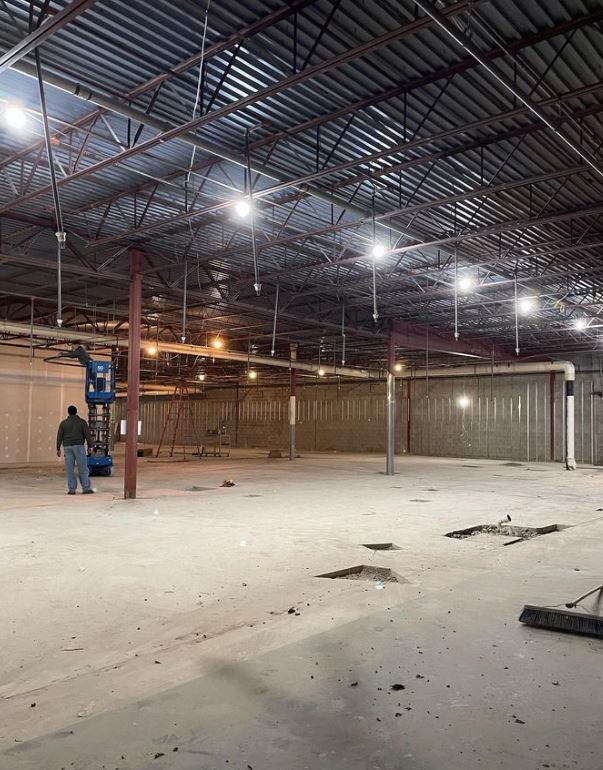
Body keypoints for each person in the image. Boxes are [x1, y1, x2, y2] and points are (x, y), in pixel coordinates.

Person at [56, 405, 95, 495]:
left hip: (67, 447)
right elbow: (87, 435)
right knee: (82, 468)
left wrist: (58, 448)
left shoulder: (63, 423)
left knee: (69, 469)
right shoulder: (82, 422)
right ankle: (86, 488)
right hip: (79, 447)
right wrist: (90, 446)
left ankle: (72, 489)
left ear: (68, 412)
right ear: (76, 412)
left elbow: (59, 436)